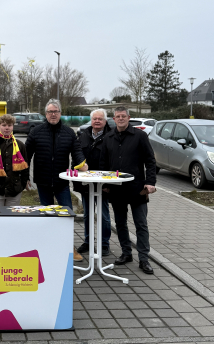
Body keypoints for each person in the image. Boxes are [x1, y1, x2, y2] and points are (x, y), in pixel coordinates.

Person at [26, 98, 88, 262]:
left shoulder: (69, 132)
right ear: (45, 114)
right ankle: (47, 247)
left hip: (61, 182)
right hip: (43, 181)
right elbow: (26, 156)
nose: (53, 114)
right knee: (46, 215)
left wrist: (82, 163)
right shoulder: (36, 132)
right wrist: (25, 176)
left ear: (60, 113)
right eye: (50, 112)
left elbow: (76, 152)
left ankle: (69, 247)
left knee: (67, 215)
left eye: (56, 111)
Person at [100, 106, 156, 274]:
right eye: (118, 116)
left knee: (141, 224)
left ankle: (144, 258)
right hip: (117, 190)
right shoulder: (108, 138)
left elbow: (150, 160)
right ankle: (126, 253)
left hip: (137, 188)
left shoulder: (140, 136)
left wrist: (150, 182)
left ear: (129, 117)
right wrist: (105, 185)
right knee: (120, 223)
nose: (121, 119)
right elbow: (104, 164)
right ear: (114, 118)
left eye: (123, 116)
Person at [73, 109, 111, 257]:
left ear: (105, 121)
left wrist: (109, 184)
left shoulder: (111, 136)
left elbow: (113, 161)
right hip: (86, 184)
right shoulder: (83, 136)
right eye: (94, 118)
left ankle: (104, 244)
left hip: (103, 184)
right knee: (88, 214)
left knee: (104, 215)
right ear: (91, 120)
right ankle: (88, 241)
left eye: (100, 119)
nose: (97, 121)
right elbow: (76, 157)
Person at [0, 114, 29, 206]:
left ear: (13, 127)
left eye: (9, 125)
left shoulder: (20, 145)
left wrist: (22, 185)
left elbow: (25, 167)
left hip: (14, 191)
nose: (7, 128)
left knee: (12, 219)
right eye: (4, 125)